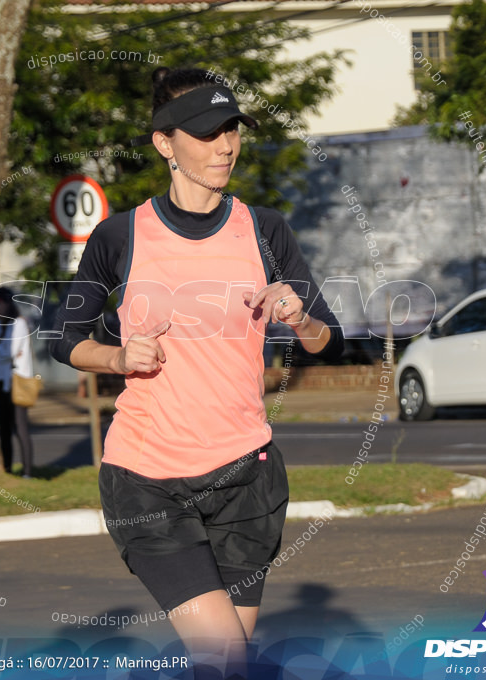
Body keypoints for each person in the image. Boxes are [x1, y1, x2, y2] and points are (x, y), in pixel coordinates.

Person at [49, 67, 343, 673]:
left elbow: (327, 339)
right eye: (207, 133)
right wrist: (116, 357)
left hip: (246, 481)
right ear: (165, 143)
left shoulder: (265, 232)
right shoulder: (121, 236)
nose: (226, 146)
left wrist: (299, 318)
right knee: (228, 654)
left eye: (232, 129)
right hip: (148, 479)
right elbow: (64, 337)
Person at [0, 287, 35, 477]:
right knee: (3, 428)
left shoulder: (19, 324)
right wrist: (0, 352)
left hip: (16, 382)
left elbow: (10, 352)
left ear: (8, 303)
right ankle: (7, 469)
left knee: (20, 427)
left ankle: (28, 471)